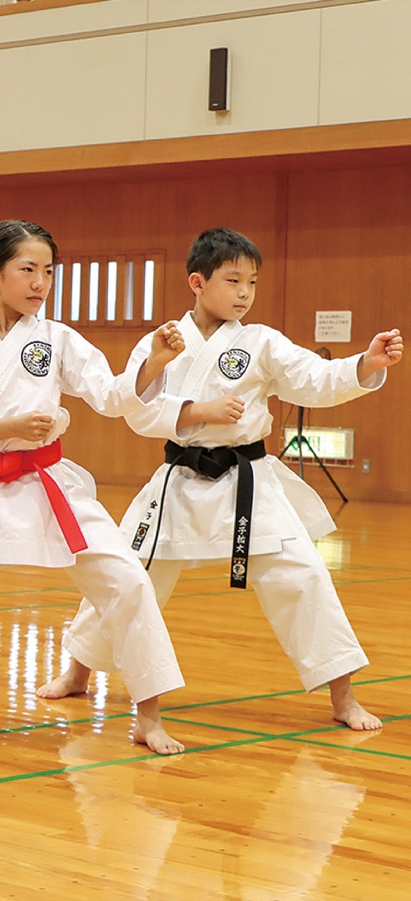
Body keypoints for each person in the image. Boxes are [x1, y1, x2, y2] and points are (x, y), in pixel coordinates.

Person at [38, 227, 402, 731]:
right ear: (197, 281)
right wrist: (197, 410)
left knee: (304, 575)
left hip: (247, 481)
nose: (245, 293)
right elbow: (138, 410)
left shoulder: (261, 341)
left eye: (252, 282)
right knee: (127, 573)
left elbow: (312, 381)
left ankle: (343, 697)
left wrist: (364, 363)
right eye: (233, 280)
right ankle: (78, 670)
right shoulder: (164, 340)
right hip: (178, 480)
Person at [0, 219, 189, 755]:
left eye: (48, 271)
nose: (40, 283)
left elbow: (111, 395)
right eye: (27, 270)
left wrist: (152, 366)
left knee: (126, 580)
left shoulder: (58, 339)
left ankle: (148, 714)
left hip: (49, 484)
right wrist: (5, 430)